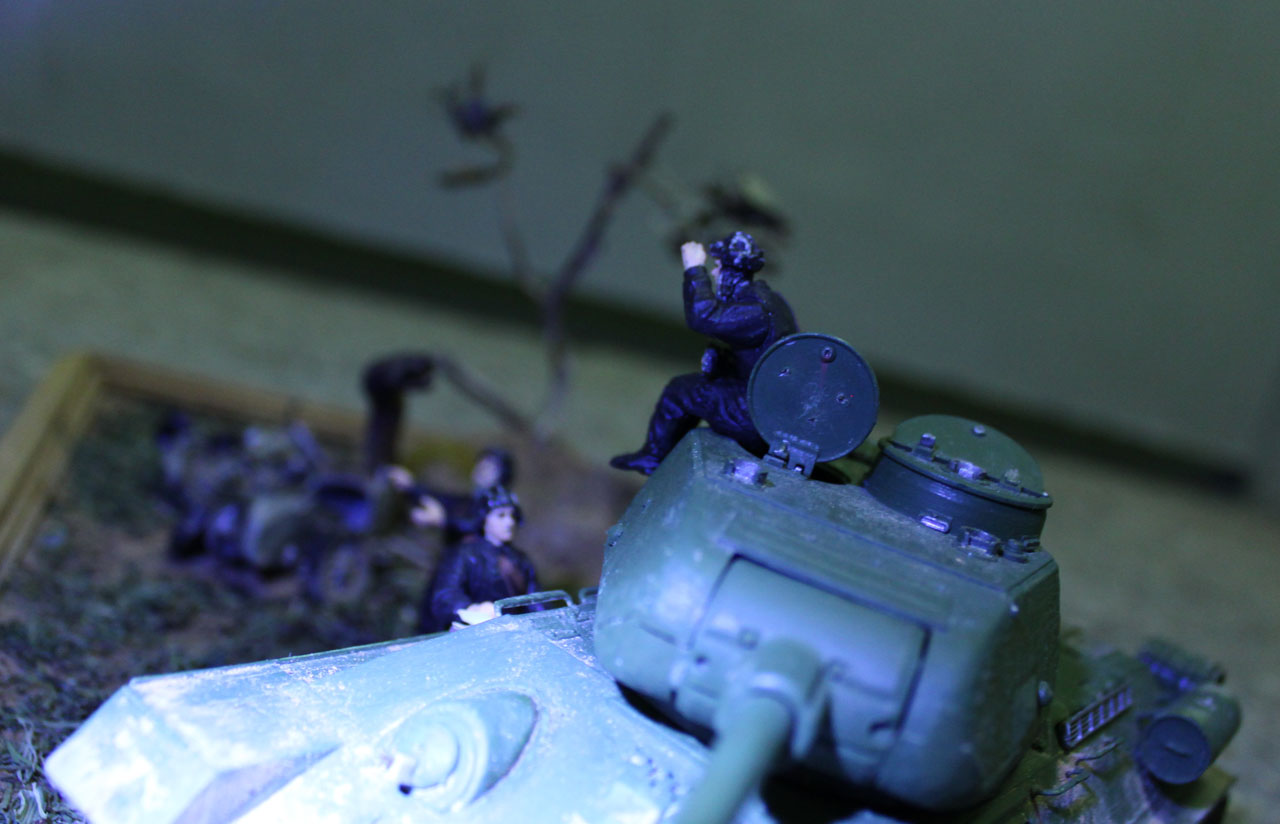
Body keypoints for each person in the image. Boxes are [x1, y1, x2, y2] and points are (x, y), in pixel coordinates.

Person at [610, 231, 797, 474]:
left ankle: (653, 458)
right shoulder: (772, 301)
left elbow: (704, 316)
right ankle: (665, 454)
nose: (715, 273)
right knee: (697, 386)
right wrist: (724, 359)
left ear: (733, 272)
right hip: (766, 406)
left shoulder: (754, 311)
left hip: (751, 417)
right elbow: (762, 354)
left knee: (680, 391)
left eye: (718, 267)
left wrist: (694, 269)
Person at [418, 485, 539, 632]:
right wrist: (472, 608)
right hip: (474, 630)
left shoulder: (521, 560)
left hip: (513, 631)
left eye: (512, 515)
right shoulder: (464, 554)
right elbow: (445, 595)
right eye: (501, 515)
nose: (510, 522)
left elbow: (536, 601)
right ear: (484, 519)